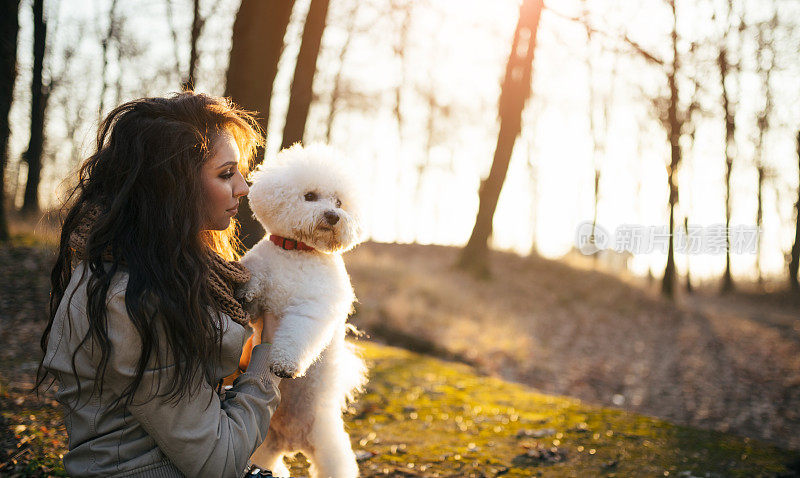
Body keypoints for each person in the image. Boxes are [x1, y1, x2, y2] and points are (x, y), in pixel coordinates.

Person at [36, 92, 280, 477]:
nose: (243, 187)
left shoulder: (144, 267)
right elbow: (217, 462)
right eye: (225, 173)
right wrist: (271, 357)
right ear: (173, 187)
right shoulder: (137, 300)